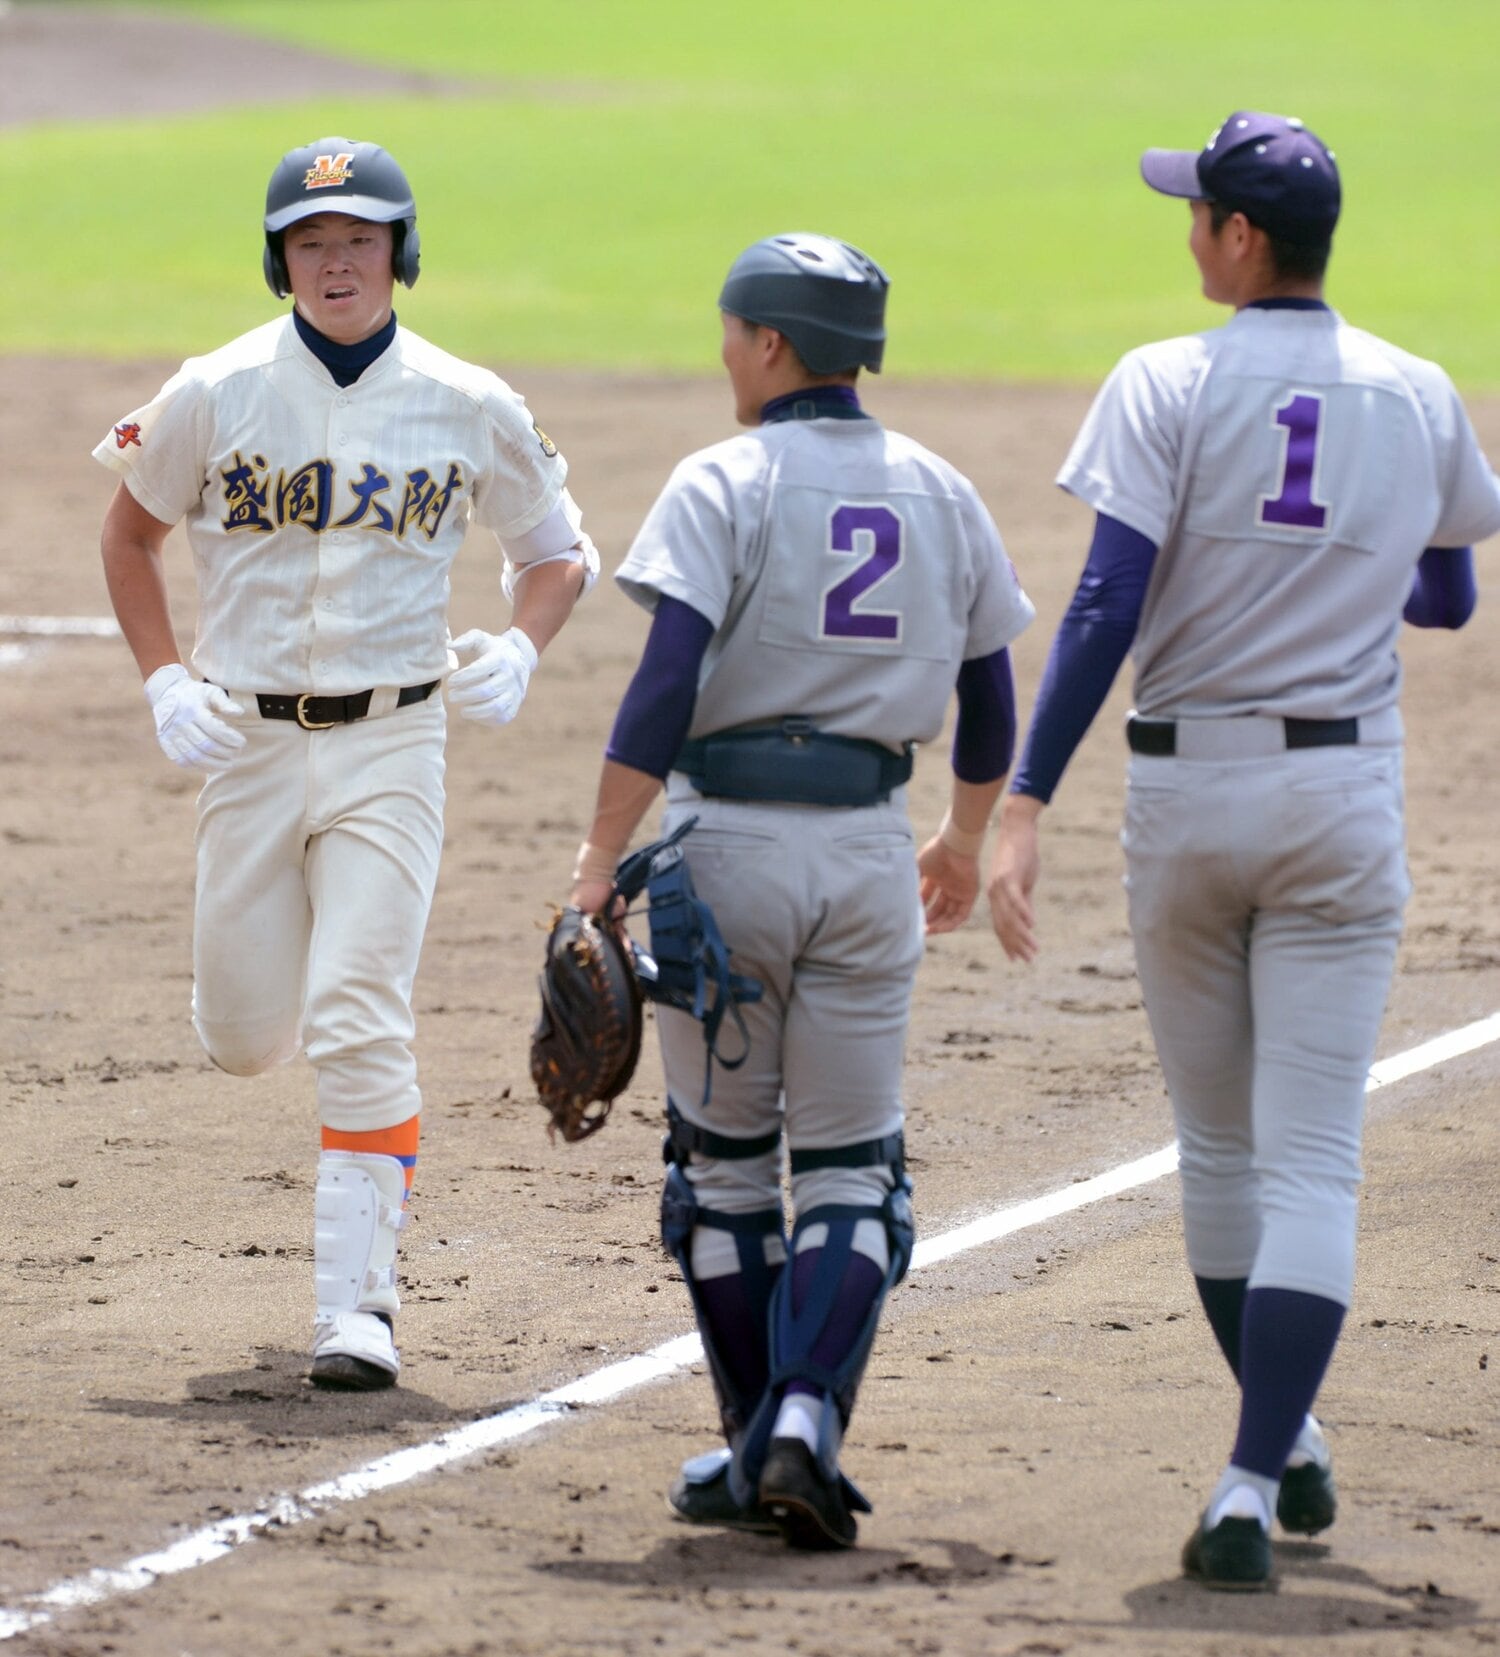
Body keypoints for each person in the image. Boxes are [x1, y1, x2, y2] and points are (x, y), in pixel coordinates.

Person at [987, 112, 1500, 1589]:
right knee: (1317, 1157)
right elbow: (1451, 598)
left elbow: (1105, 606)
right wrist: (1330, 577)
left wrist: (1024, 798)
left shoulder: (1165, 380)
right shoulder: (1416, 391)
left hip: (1187, 807)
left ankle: (1274, 1448)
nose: (1187, 230)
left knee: (1218, 1150)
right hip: (1342, 808)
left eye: (1198, 212)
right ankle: (1258, 1468)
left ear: (1240, 241)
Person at [94, 137, 598, 1392]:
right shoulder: (213, 390)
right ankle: (259, 1055)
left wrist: (524, 648)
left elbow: (557, 551)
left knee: (360, 1013)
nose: (335, 263)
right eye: (311, 242)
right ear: (279, 260)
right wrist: (165, 678)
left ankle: (358, 1311)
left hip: (394, 741)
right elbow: (127, 532)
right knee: (244, 1035)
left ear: (400, 254)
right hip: (247, 746)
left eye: (359, 240)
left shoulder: (467, 399)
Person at [564, 231, 1034, 1549]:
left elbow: (663, 686)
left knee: (717, 1176)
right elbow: (991, 699)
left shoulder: (722, 479)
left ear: (770, 343)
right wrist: (962, 836)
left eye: (732, 329)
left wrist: (600, 860)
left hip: (723, 858)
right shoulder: (943, 490)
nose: (723, 349)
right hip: (871, 855)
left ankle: (751, 1434)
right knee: (850, 1174)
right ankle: (802, 1428)